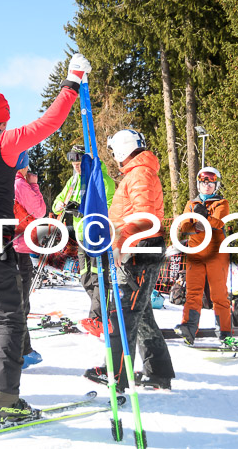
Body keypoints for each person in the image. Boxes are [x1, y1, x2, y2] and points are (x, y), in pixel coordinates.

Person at [0, 53, 91, 428]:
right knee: (10, 319)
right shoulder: (3, 141)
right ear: (2, 118)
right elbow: (48, 123)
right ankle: (4, 402)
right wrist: (71, 84)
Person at [84, 129, 175, 391]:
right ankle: (159, 372)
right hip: (137, 248)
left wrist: (122, 244)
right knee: (142, 315)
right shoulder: (137, 173)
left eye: (114, 152)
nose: (113, 157)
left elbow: (144, 217)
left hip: (139, 250)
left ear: (124, 148)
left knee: (123, 313)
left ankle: (116, 373)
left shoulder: (140, 174)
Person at [52, 145, 115, 336]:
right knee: (85, 277)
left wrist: (83, 210)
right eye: (74, 164)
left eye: (80, 164)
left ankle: (97, 318)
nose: (77, 167)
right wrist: (62, 205)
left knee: (98, 278)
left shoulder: (103, 180)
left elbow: (109, 207)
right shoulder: (73, 181)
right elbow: (56, 205)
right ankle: (105, 311)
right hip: (81, 237)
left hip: (98, 235)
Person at [174, 167, 232, 344]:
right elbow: (184, 226)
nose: (207, 186)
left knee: (219, 295)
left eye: (211, 183)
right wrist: (199, 222)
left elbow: (218, 222)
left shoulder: (222, 203)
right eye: (203, 183)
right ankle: (189, 328)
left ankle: (224, 331)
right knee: (193, 292)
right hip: (196, 254)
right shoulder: (191, 204)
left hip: (216, 254)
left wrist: (203, 218)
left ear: (216, 185)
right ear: (199, 185)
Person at [12, 151, 46, 369]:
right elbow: (40, 211)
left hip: (3, 244)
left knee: (13, 302)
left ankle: (23, 349)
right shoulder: (19, 184)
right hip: (19, 246)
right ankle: (19, 352)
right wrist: (34, 185)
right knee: (20, 303)